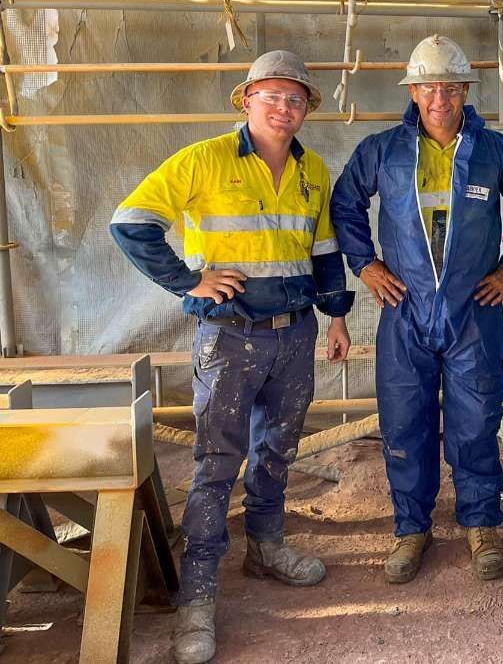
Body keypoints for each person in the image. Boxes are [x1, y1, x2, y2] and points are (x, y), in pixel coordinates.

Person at [111, 50, 354, 664]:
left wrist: (338, 316)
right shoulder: (205, 160)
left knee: (277, 448)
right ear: (246, 100)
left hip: (296, 334)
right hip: (229, 337)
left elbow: (324, 249)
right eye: (271, 96)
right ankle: (197, 594)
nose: (285, 107)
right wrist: (187, 281)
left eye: (296, 99)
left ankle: (266, 545)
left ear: (307, 111)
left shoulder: (313, 171)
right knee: (217, 459)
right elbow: (132, 222)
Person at [330, 34, 503, 586]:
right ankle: (411, 528)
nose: (439, 99)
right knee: (406, 423)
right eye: (428, 87)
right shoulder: (383, 151)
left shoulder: (494, 151)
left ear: (467, 90)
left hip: (472, 311)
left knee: (475, 420)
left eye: (450, 87)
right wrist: (366, 264)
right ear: (413, 92)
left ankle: (480, 523)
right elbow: (346, 202)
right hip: (405, 311)